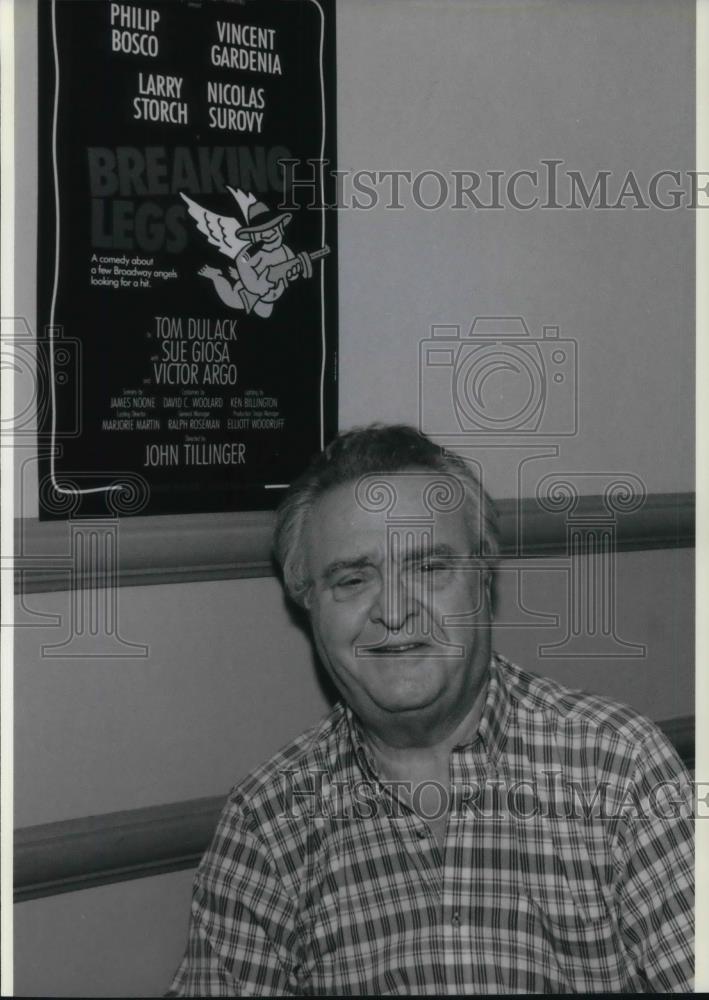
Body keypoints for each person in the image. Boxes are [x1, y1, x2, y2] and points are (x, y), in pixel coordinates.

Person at [168, 424, 693, 995]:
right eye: (352, 578)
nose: (393, 611)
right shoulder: (265, 826)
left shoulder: (617, 765)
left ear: (482, 579)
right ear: (309, 604)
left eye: (430, 568)